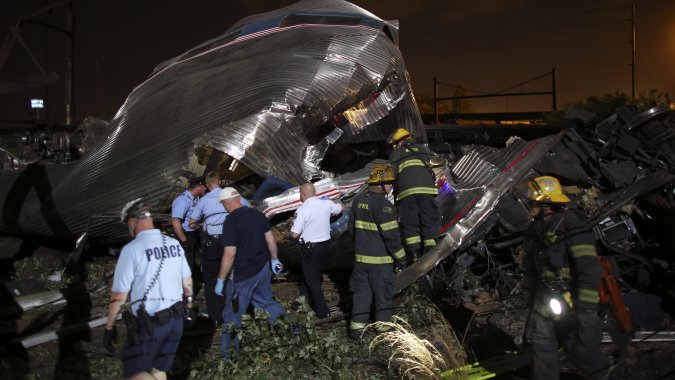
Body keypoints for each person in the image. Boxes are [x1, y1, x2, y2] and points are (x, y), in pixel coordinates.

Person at [520, 175, 611, 380]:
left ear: (547, 204)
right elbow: (532, 267)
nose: (529, 205)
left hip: (573, 302)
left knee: (582, 353)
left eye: (533, 201)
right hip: (545, 301)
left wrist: (586, 307)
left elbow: (589, 268)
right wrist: (529, 294)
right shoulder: (535, 231)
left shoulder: (571, 226)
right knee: (541, 348)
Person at [103, 198, 193, 380]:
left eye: (128, 224)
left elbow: (118, 296)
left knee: (135, 373)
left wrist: (109, 327)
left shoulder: (132, 250)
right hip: (176, 320)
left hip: (152, 324)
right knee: (158, 370)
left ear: (134, 221)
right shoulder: (173, 244)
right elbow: (188, 283)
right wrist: (188, 309)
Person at [214, 187, 286, 359]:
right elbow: (270, 240)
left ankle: (230, 357)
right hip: (262, 269)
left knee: (232, 315)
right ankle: (293, 332)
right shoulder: (258, 215)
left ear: (226, 202)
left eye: (223, 204)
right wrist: (275, 259)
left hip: (242, 275)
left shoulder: (231, 221)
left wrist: (220, 279)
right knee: (267, 303)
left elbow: (230, 254)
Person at [349, 164, 406, 339]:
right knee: (383, 297)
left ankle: (356, 332)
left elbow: (351, 229)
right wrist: (402, 259)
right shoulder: (384, 205)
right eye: (389, 183)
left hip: (360, 262)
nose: (391, 187)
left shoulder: (358, 201)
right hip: (380, 264)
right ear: (381, 184)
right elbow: (392, 238)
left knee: (362, 296)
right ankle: (382, 334)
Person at [189, 172, 250, 325]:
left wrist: (204, 225)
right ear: (220, 182)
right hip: (231, 241)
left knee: (210, 278)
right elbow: (249, 208)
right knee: (231, 275)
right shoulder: (232, 196)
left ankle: (215, 316)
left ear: (207, 186)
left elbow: (191, 223)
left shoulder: (203, 201)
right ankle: (234, 311)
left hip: (213, 243)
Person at [288, 183, 344, 318]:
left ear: (303, 194)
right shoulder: (326, 204)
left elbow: (294, 234)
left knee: (312, 280)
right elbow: (341, 208)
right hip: (325, 247)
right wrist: (335, 202)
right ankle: (299, 301)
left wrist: (288, 234)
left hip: (311, 249)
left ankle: (323, 312)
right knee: (311, 274)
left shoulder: (303, 209)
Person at [388, 128, 440, 263]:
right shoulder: (423, 149)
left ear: (398, 143)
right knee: (429, 218)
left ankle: (414, 254)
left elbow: (391, 174)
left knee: (410, 222)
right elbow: (440, 162)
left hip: (406, 193)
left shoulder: (396, 153)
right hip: (427, 191)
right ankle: (430, 250)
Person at [171, 176, 206, 273]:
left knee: (190, 266)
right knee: (186, 269)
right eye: (204, 186)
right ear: (199, 187)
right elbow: (175, 221)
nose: (205, 188)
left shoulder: (193, 200)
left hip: (192, 236)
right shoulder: (183, 200)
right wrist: (184, 241)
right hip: (185, 236)